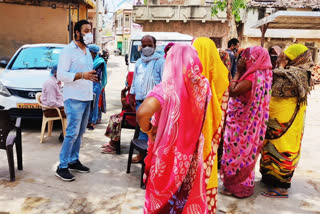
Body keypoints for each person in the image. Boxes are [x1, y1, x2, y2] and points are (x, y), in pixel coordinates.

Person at [137, 44, 211, 213]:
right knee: (187, 197)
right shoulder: (203, 86)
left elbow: (142, 113)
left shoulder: (167, 88)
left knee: (163, 197)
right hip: (192, 153)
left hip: (169, 154)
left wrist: (149, 129)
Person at [260, 44, 314, 198]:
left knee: (283, 149)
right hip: (279, 119)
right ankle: (270, 179)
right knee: (271, 148)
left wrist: (281, 66)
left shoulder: (299, 73)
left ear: (297, 58)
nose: (282, 59)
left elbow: (273, 81)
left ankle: (281, 187)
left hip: (286, 122)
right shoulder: (295, 71)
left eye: (286, 57)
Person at [220, 46, 273, 198]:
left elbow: (233, 91)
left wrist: (238, 71)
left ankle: (236, 187)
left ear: (254, 59)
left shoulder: (251, 77)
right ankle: (242, 185)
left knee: (237, 155)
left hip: (242, 125)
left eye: (247, 57)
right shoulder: (265, 73)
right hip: (250, 124)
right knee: (245, 155)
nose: (244, 59)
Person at [56, 20, 98, 182]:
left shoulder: (87, 51)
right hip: (73, 97)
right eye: (86, 30)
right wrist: (82, 75)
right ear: (77, 33)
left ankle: (73, 160)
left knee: (80, 133)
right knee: (72, 133)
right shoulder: (68, 51)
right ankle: (62, 166)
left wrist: (91, 77)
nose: (89, 33)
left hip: (86, 96)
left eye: (90, 30)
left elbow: (86, 73)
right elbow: (61, 75)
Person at [193, 37, 229, 213]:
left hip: (191, 133)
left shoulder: (188, 74)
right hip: (211, 126)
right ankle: (206, 207)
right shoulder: (221, 71)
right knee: (208, 164)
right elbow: (224, 96)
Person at [129, 35, 165, 163]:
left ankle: (151, 156)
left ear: (155, 46)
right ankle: (142, 155)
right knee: (142, 128)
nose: (147, 48)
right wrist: (131, 95)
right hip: (140, 100)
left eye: (150, 45)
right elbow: (135, 80)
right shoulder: (139, 62)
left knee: (153, 129)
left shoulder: (160, 61)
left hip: (154, 103)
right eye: (144, 45)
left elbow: (164, 82)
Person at [101, 72, 136, 154]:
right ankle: (112, 142)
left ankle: (114, 145)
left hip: (132, 117)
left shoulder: (134, 92)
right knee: (113, 117)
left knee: (116, 120)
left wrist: (122, 94)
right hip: (128, 114)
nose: (126, 80)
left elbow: (127, 106)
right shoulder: (131, 90)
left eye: (127, 78)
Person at [41, 65, 65, 142]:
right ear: (55, 73)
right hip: (50, 109)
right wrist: (63, 105)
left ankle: (65, 133)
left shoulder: (58, 82)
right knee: (73, 113)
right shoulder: (51, 84)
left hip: (56, 106)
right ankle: (64, 135)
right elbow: (51, 102)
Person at [87, 44, 107, 130]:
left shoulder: (100, 61)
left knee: (94, 104)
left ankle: (93, 122)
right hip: (86, 84)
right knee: (87, 103)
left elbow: (97, 75)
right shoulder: (87, 61)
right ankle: (87, 120)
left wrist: (87, 74)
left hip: (95, 85)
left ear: (92, 52)